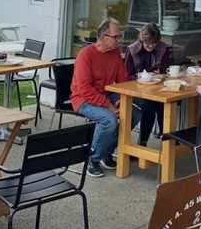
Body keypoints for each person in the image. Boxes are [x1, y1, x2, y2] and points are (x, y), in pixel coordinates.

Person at [71, 18, 129, 177]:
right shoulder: (86, 54)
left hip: (106, 94)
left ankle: (106, 152)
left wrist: (123, 98)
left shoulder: (115, 52)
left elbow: (122, 79)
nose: (119, 40)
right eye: (116, 36)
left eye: (120, 36)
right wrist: (109, 105)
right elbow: (84, 89)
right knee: (109, 119)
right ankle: (93, 158)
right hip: (83, 99)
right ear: (104, 37)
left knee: (134, 112)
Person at [124, 23, 172, 146]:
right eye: (147, 43)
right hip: (137, 88)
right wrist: (140, 76)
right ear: (141, 40)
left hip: (158, 87)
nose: (150, 46)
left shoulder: (163, 48)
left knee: (164, 103)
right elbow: (126, 75)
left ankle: (165, 138)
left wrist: (160, 73)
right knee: (149, 105)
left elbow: (166, 70)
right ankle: (143, 141)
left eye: (154, 43)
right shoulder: (132, 49)